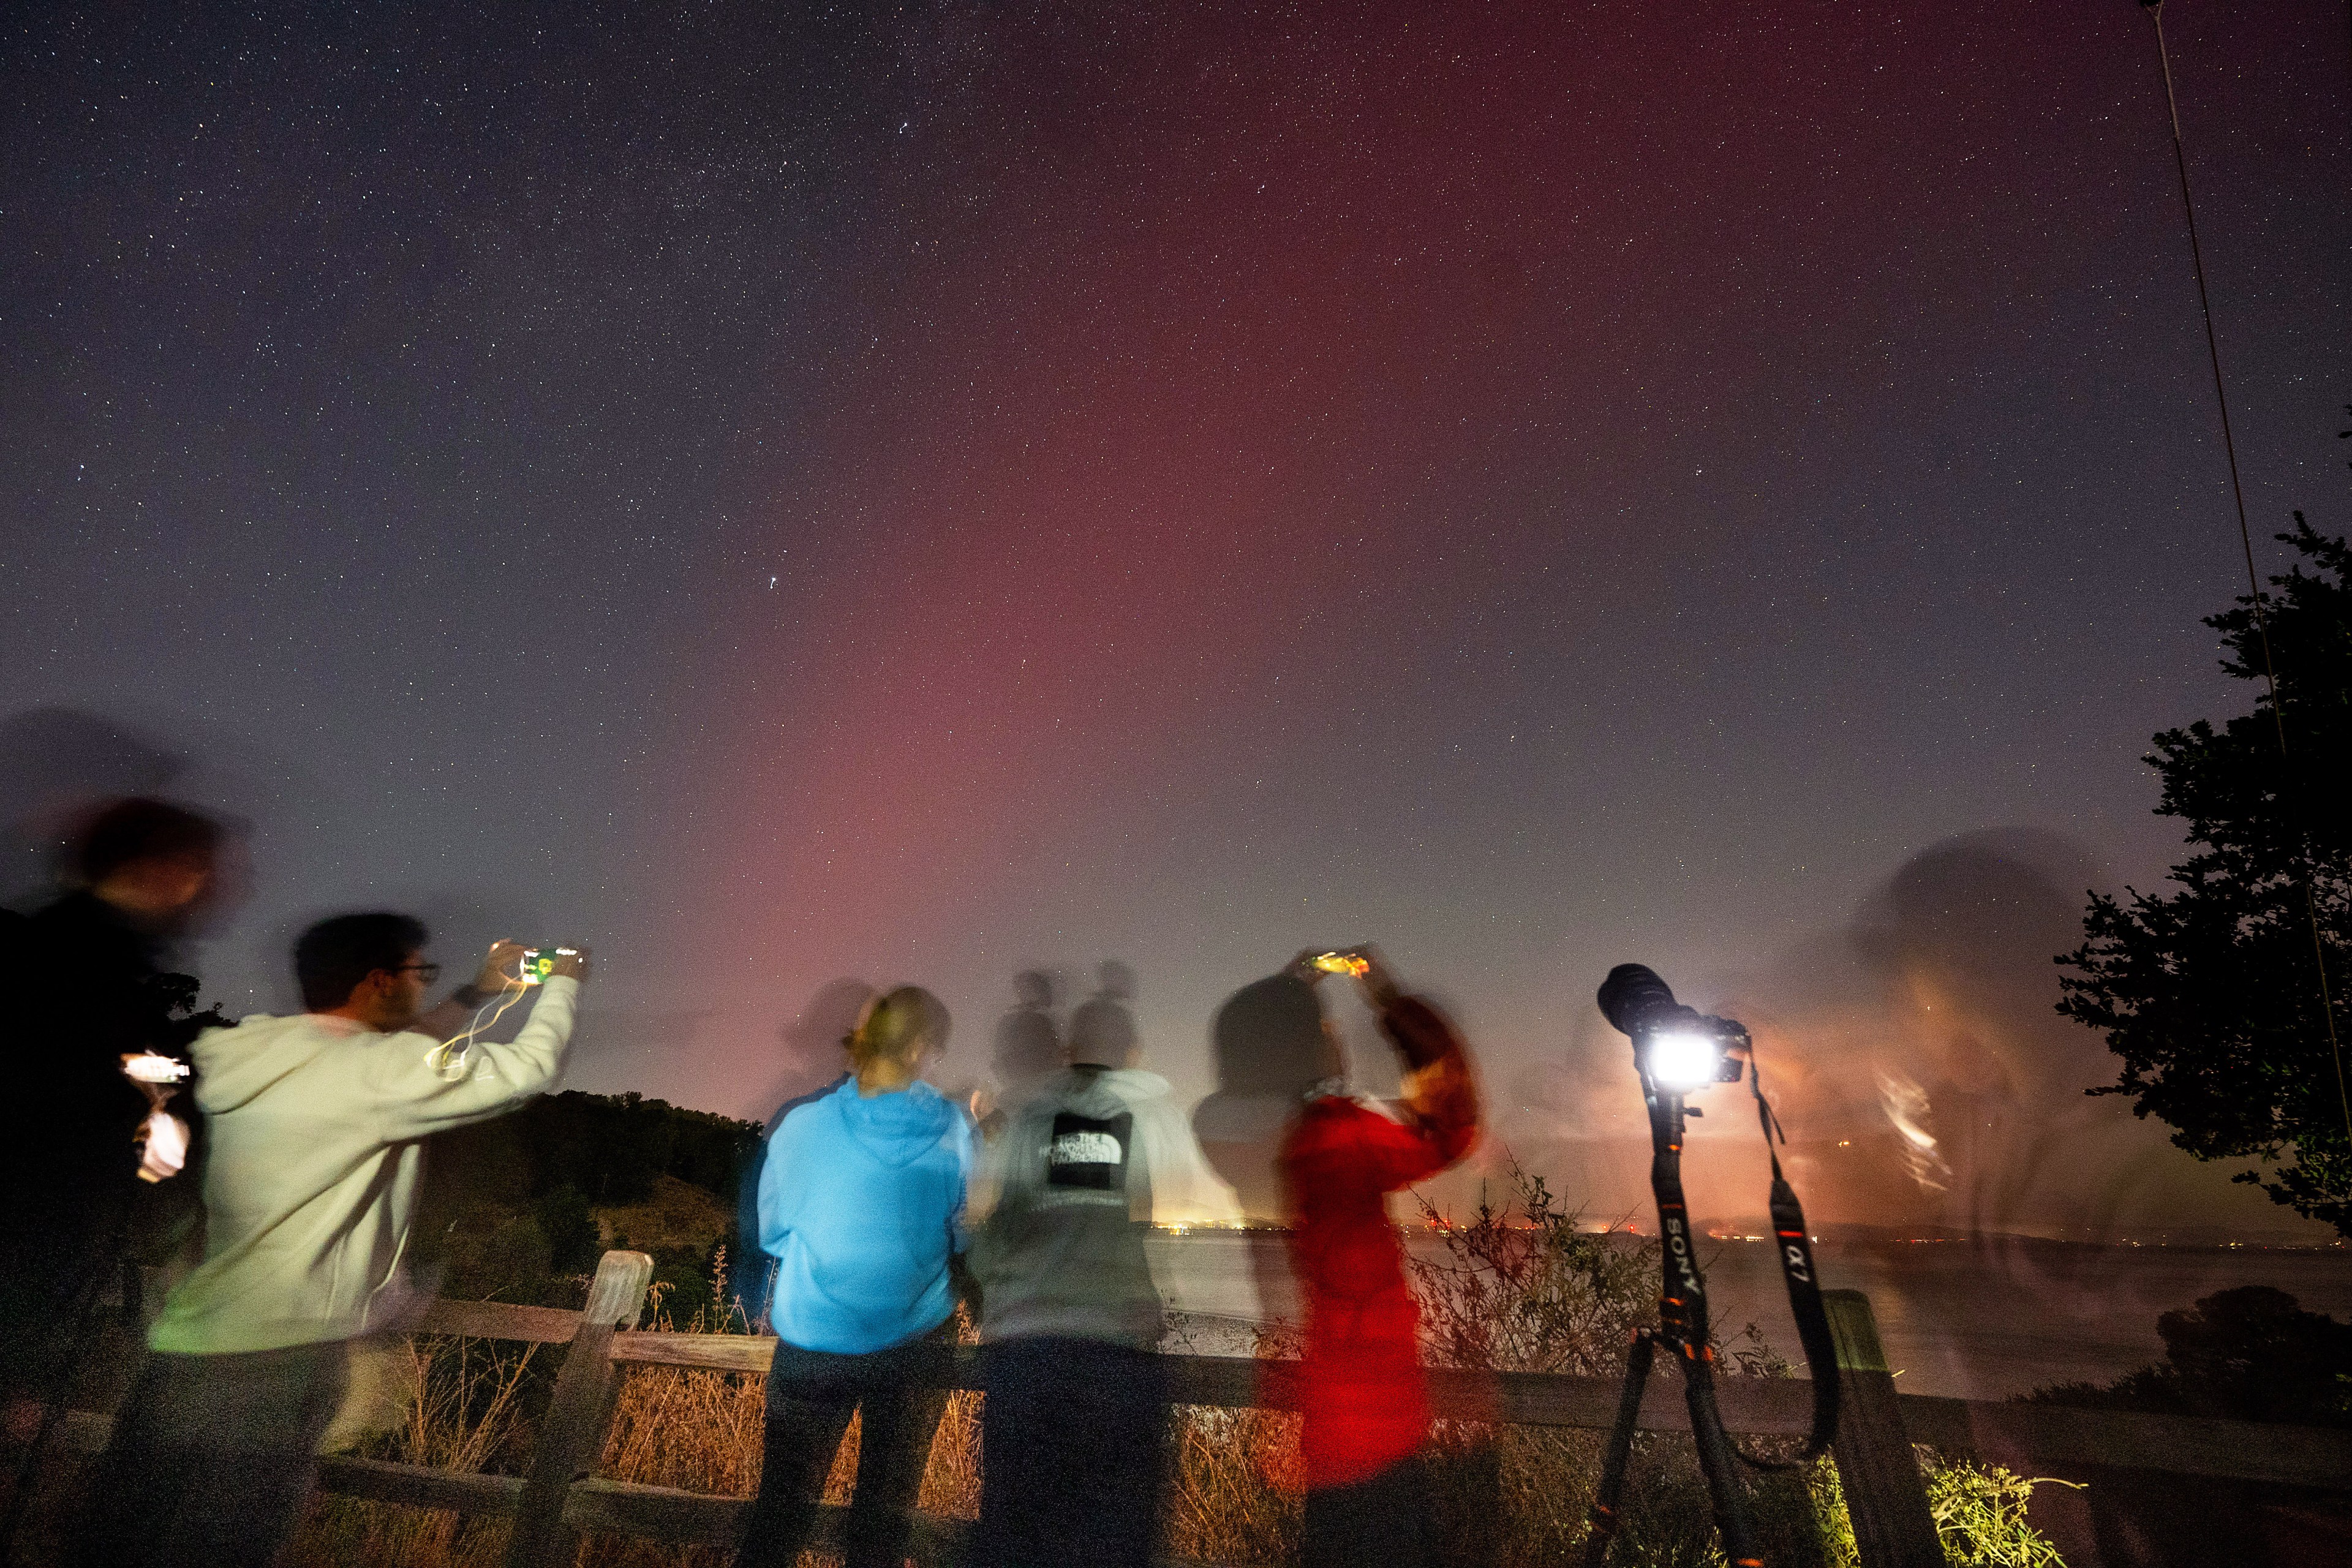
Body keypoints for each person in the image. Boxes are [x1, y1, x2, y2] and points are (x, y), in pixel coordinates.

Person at [75, 914, 587, 1568]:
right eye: (417, 972)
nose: (421, 983)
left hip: (184, 1340)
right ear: (379, 980)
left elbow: (376, 1057)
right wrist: (563, 982)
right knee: (223, 1547)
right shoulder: (378, 1070)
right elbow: (526, 1067)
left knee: (119, 1537)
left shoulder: (248, 1048)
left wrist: (473, 994)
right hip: (281, 1356)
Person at [1221, 948, 1480, 1568]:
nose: (1338, 1041)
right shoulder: (1340, 1135)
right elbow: (1448, 1130)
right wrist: (1390, 1000)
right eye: (1326, 1033)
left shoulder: (1267, 1134)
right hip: (1374, 1416)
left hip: (1331, 1412)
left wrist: (1288, 994)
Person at [965, 961, 1223, 1568]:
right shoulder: (1157, 1116)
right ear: (1132, 1051)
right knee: (1115, 1543)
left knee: (1016, 1538)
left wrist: (998, 1297)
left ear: (1069, 1048)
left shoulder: (1026, 1117)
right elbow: (1169, 1226)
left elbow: (988, 1229)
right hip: (1118, 1355)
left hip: (1025, 1355)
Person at [0, 799, 224, 1439]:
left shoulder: (72, 950)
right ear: (158, 868)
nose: (210, 891)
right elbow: (54, 1143)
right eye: (197, 870)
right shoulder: (81, 963)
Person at [740, 986, 971, 1568]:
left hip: (814, 1341)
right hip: (914, 1346)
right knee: (882, 1526)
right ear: (921, 1050)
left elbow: (773, 1232)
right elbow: (966, 1232)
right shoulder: (953, 1131)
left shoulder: (802, 1127)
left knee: (779, 1516)